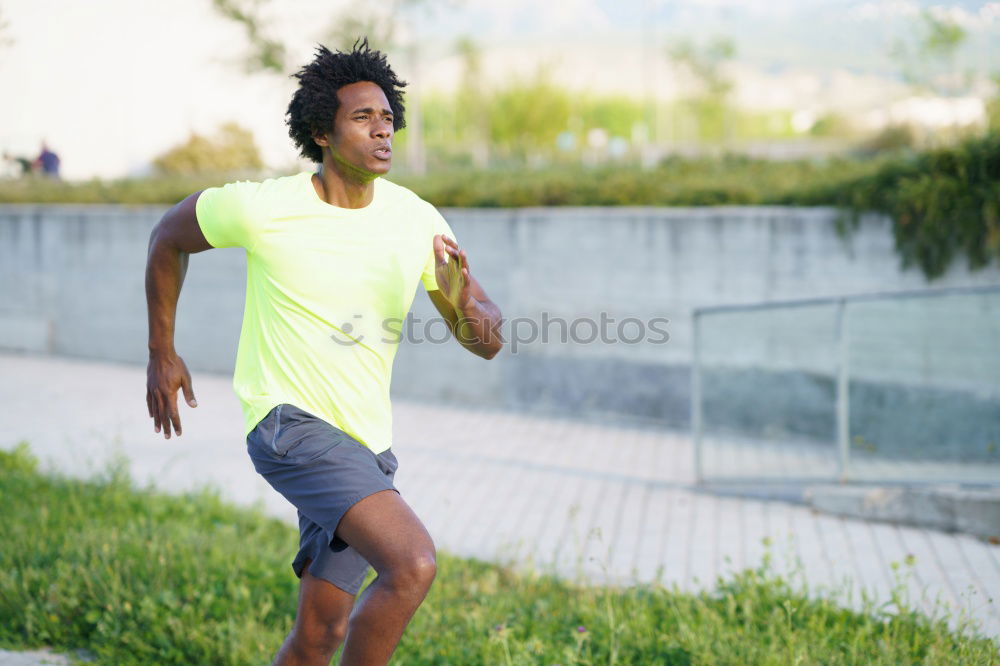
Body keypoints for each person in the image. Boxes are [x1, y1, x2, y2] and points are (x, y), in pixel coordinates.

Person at [144, 39, 503, 665]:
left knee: (319, 634)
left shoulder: (416, 219)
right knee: (412, 562)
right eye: (363, 118)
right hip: (289, 427)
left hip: (365, 447)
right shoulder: (262, 207)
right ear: (323, 134)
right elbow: (167, 238)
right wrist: (162, 352)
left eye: (388, 117)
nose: (382, 130)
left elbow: (486, 344)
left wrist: (468, 307)